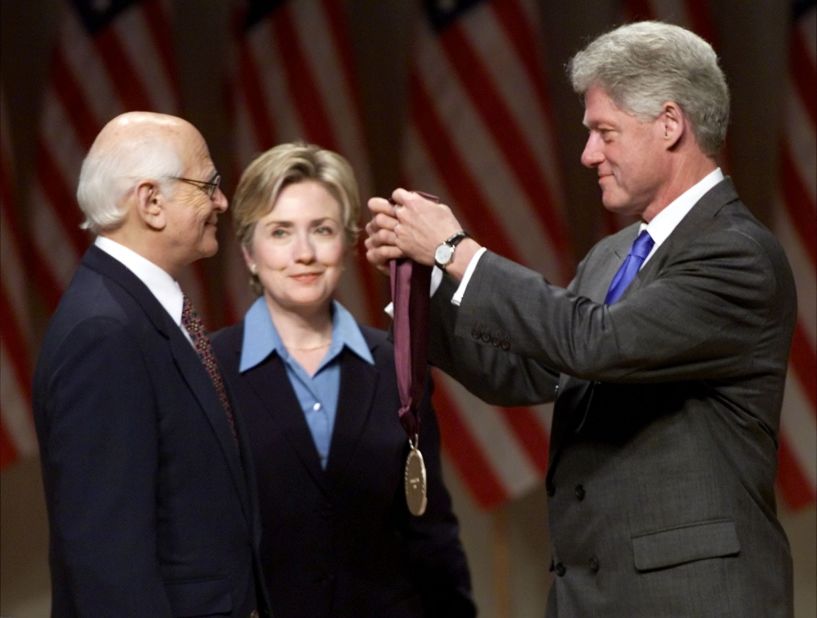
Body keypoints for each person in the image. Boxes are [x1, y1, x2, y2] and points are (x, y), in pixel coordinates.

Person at [365, 21, 796, 617]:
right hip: (590, 598)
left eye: (604, 132)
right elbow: (526, 371)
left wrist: (458, 253)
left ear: (670, 125)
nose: (588, 154)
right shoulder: (614, 256)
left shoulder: (736, 254)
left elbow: (597, 342)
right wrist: (423, 286)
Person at [211, 142, 476, 618]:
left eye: (322, 229)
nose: (305, 253)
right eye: (280, 232)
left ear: (347, 244)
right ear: (249, 252)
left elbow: (430, 531)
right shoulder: (208, 368)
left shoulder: (397, 361)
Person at [33, 112, 269, 617]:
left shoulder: (136, 309)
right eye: (209, 185)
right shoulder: (104, 332)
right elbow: (108, 562)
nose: (222, 202)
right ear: (152, 202)